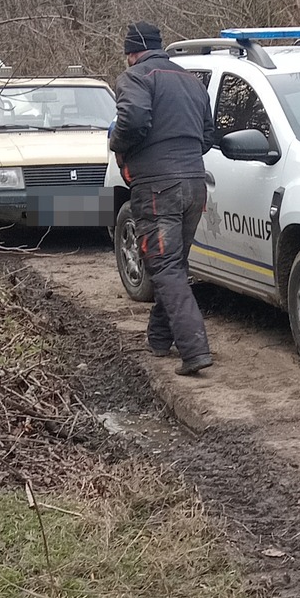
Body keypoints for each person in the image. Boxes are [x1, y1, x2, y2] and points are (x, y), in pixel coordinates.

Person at [110, 22, 216, 373]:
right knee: (172, 264)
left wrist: (118, 146)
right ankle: (158, 339)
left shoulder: (136, 77)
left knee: (165, 266)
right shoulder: (191, 80)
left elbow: (134, 118)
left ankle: (195, 351)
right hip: (194, 184)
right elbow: (208, 135)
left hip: (157, 188)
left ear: (131, 53)